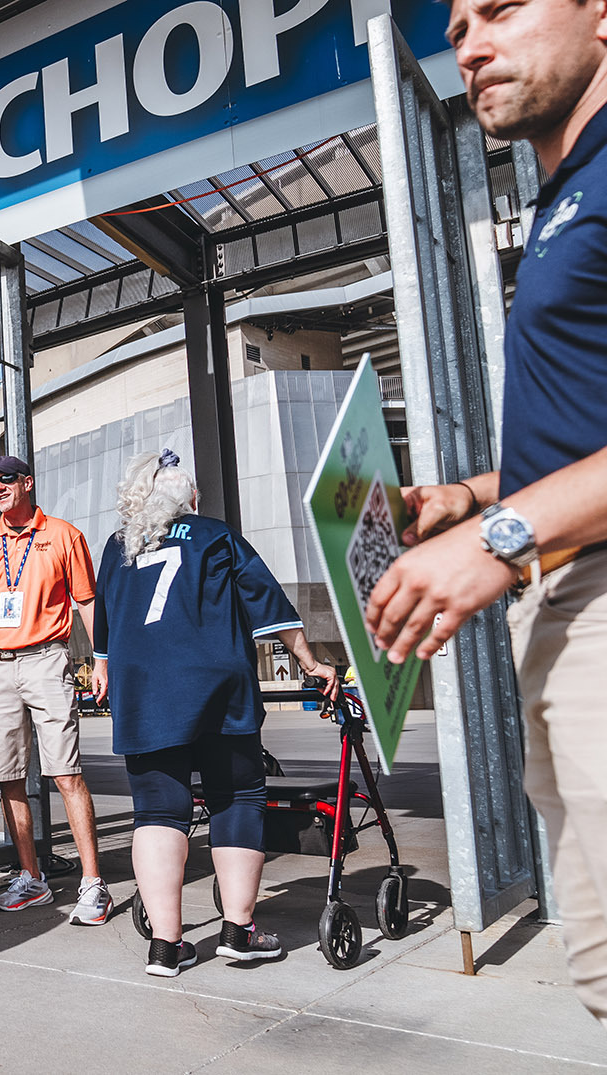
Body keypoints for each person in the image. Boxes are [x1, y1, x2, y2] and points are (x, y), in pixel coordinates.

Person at [364, 0, 607, 1026]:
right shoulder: (565, 192)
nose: (467, 43)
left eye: (501, 8)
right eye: (456, 24)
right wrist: (469, 499)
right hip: (556, 601)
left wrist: (502, 539)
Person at [92, 450, 337, 975]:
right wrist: (310, 662)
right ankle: (239, 931)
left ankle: (166, 945)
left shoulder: (118, 548)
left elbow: (105, 630)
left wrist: (102, 668)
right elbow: (268, 604)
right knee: (236, 795)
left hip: (144, 692)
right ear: (191, 501)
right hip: (216, 685)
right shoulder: (214, 535)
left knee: (157, 813)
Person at [0, 453, 111, 923]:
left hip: (46, 659)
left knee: (65, 772)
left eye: (7, 479)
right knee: (7, 775)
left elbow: (86, 603)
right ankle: (32, 878)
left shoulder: (63, 535)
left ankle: (93, 884)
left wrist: (102, 660)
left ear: (28, 483)